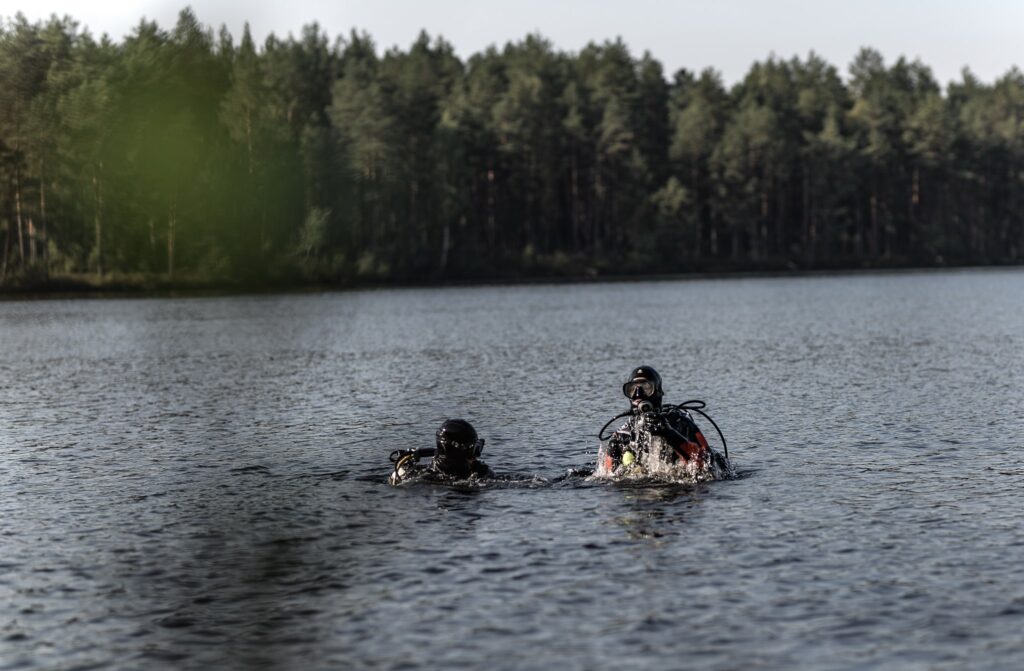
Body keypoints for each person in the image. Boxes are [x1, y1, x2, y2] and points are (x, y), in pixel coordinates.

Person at [598, 365, 729, 476]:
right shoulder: (622, 435)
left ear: (658, 392)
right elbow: (606, 477)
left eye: (647, 388)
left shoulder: (680, 422)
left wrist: (668, 433)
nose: (638, 394)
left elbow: (708, 466)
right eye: (632, 389)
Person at [389, 419, 493, 485]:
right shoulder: (423, 478)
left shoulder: (479, 472)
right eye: (472, 450)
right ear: (455, 451)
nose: (476, 456)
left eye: (477, 448)